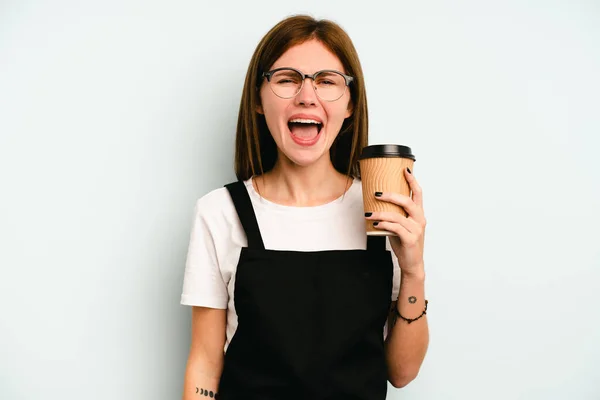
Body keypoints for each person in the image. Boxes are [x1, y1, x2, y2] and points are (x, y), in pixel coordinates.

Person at [180, 14, 429, 400]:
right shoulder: (220, 211)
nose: (307, 96)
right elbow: (205, 364)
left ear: (350, 105)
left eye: (327, 81)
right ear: (259, 101)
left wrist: (413, 270)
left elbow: (402, 372)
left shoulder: (383, 212)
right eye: (286, 79)